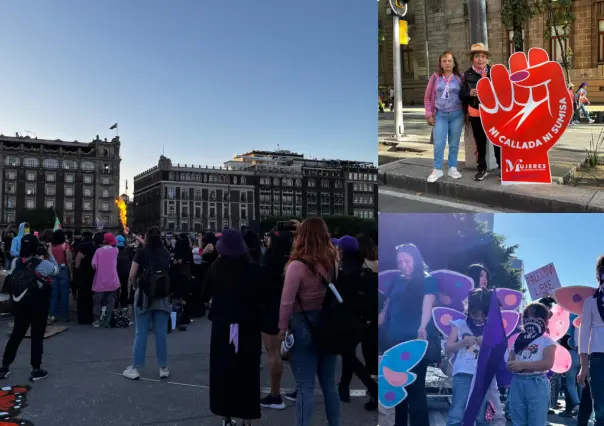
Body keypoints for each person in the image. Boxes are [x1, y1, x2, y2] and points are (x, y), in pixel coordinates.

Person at [279, 217, 340, 426]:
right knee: (329, 384)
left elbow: (286, 302)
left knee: (305, 386)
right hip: (327, 323)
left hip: (302, 322)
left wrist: (282, 328)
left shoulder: (297, 265)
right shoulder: (333, 261)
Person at [203, 228, 262, 426]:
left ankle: (225, 415)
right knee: (248, 371)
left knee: (223, 371)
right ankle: (247, 417)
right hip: (248, 327)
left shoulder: (216, 268)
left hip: (223, 324)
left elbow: (204, 294)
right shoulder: (253, 269)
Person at [378, 243, 438, 426]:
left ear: (417, 260)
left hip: (416, 342)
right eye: (400, 262)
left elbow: (428, 305)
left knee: (416, 390)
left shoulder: (428, 280)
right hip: (394, 340)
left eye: (407, 261)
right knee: (398, 387)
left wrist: (422, 326)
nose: (403, 265)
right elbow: (387, 307)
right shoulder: (397, 280)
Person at [0, 234, 58, 381]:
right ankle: (36, 369)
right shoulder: (43, 264)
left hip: (20, 305)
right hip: (38, 305)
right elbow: (55, 270)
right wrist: (49, 254)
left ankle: (4, 367)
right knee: (37, 337)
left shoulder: (15, 262)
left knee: (16, 335)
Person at [334, 236, 378, 411]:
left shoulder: (346, 269)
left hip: (349, 319)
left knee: (349, 356)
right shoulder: (361, 267)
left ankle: (373, 388)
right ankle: (343, 388)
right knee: (349, 354)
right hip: (364, 317)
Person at [123, 226, 171, 380]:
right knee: (161, 333)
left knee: (141, 332)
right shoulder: (166, 253)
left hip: (144, 296)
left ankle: (135, 367)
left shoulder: (141, 253)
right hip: (162, 296)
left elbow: (132, 275)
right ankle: (163, 367)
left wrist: (137, 287)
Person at [445, 288, 492, 425]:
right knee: (457, 412)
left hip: (483, 374)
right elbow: (448, 348)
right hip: (463, 373)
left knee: (481, 414)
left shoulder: (491, 327)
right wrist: (462, 343)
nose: (478, 318)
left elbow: (498, 351)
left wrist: (486, 343)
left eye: (482, 315)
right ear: (469, 309)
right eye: (474, 314)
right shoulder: (459, 324)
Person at [259, 231, 292, 410]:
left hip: (271, 309)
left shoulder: (268, 263)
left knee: (273, 353)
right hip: (292, 309)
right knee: (291, 352)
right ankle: (300, 388)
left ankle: (275, 394)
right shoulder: (293, 262)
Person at [507, 302, 556, 425]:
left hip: (537, 383)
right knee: (518, 420)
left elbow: (548, 363)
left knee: (536, 420)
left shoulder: (546, 341)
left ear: (544, 320)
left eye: (535, 317)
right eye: (527, 317)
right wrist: (510, 365)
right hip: (517, 382)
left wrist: (523, 365)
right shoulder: (518, 339)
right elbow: (510, 359)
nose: (530, 320)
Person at [460, 43, 499, 181]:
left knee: (497, 141)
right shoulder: (466, 75)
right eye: (477, 56)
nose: (480, 59)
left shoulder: (494, 72)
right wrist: (469, 93)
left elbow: (503, 91)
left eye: (483, 56)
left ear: (486, 58)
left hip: (494, 113)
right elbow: (461, 95)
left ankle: (501, 169)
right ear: (472, 58)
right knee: (480, 142)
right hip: (476, 112)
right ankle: (481, 168)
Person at [424, 50, 464, 183]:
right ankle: (437, 169)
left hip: (457, 115)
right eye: (444, 61)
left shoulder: (460, 77)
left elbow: (465, 96)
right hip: (440, 115)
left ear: (454, 63)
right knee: (439, 143)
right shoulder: (435, 78)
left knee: (454, 144)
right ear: (440, 64)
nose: (447, 63)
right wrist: (429, 114)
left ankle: (453, 167)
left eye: (449, 61)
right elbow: (427, 97)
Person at [578, 256, 604, 425]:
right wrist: (583, 366)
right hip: (598, 358)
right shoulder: (591, 302)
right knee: (601, 408)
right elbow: (583, 333)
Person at [91, 233, 120, 327]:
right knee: (110, 301)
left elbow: (94, 265)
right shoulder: (116, 250)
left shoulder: (98, 251)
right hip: (112, 280)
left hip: (100, 280)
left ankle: (96, 321)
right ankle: (108, 321)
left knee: (97, 302)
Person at [49, 229, 73, 323]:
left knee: (53, 294)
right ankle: (64, 316)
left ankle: (52, 315)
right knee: (64, 294)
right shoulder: (65, 245)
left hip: (53, 269)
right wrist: (71, 272)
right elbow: (68, 260)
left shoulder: (50, 246)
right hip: (63, 269)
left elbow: (48, 258)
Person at [75, 232, 97, 324]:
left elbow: (77, 262)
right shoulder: (94, 248)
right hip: (92, 274)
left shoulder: (82, 247)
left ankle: (82, 318)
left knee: (82, 297)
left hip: (82, 274)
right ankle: (90, 317)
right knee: (90, 297)